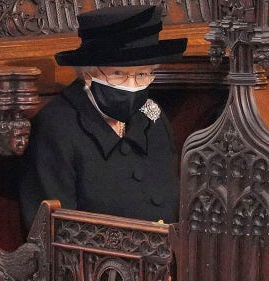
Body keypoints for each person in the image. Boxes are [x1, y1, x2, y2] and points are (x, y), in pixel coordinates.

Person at [19, 5, 187, 231]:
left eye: (142, 74)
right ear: (88, 74)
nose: (132, 86)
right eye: (119, 74)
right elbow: (53, 231)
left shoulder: (153, 116)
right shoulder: (57, 127)